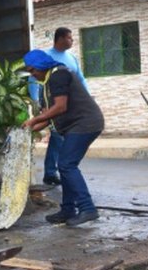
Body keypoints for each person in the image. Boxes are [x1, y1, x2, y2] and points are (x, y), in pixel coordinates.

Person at [22, 49, 104, 226]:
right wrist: (26, 130)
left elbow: (60, 107)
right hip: (76, 125)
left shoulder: (59, 75)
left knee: (67, 164)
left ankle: (88, 208)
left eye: (33, 70)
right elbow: (48, 116)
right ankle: (68, 210)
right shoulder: (47, 83)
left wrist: (33, 120)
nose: (33, 75)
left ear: (41, 65)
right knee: (66, 166)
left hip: (85, 123)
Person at [30, 27, 88, 185]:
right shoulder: (47, 56)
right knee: (56, 136)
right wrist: (37, 101)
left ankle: (63, 170)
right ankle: (51, 172)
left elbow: (81, 78)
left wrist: (87, 97)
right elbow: (34, 80)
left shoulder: (72, 57)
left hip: (72, 104)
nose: (72, 41)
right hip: (52, 102)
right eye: (70, 38)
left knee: (63, 138)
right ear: (60, 38)